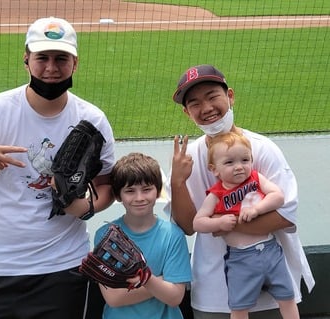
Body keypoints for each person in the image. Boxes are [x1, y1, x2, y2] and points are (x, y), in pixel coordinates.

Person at [0, 17, 115, 319]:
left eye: (61, 58)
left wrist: (87, 207)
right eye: (42, 58)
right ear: (26, 59)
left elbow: (107, 184)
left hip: (63, 268)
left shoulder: (93, 118)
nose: (51, 68)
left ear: (75, 63)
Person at [165, 64, 315, 319]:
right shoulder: (188, 158)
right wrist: (178, 182)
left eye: (213, 97)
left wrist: (222, 223)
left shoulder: (262, 149)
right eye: (195, 103)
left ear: (230, 96)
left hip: (272, 288)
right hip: (213, 289)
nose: (207, 108)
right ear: (186, 112)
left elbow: (285, 215)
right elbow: (188, 226)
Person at [193, 132, 299, 319]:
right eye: (229, 162)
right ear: (214, 169)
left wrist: (257, 209)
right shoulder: (216, 194)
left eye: (245, 160)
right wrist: (219, 222)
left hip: (270, 249)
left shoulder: (256, 179)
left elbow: (278, 196)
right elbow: (198, 223)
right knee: (239, 306)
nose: (239, 167)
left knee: (287, 297)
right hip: (241, 257)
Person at [94, 152, 192, 319]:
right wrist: (161, 282)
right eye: (130, 191)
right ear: (118, 195)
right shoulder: (105, 235)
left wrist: (146, 279)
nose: (139, 198)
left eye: (146, 190)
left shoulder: (173, 235)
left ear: (158, 191)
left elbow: (175, 297)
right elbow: (114, 298)